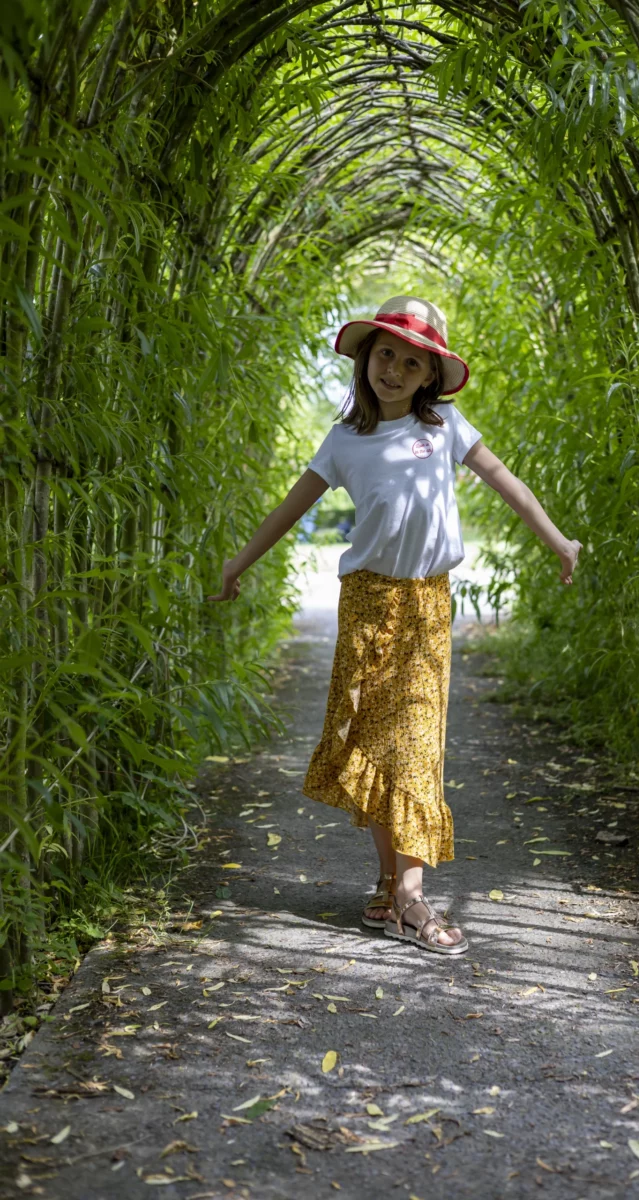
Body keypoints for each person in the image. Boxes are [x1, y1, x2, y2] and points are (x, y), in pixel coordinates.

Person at [208, 295, 582, 956]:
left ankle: (405, 898)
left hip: (426, 606)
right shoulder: (344, 440)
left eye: (413, 363)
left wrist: (558, 541)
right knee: (378, 750)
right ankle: (392, 889)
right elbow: (289, 511)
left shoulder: (447, 429)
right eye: (386, 354)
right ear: (364, 357)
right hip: (367, 605)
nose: (395, 370)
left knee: (413, 748)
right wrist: (236, 565)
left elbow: (505, 481)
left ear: (429, 377)